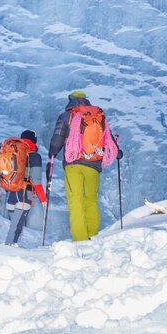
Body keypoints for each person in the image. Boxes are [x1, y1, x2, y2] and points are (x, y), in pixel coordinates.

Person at [48, 90, 123, 242]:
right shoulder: (97, 116)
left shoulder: (67, 116)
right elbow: (107, 137)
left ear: (71, 100)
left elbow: (57, 139)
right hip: (93, 165)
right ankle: (92, 235)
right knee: (91, 199)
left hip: (73, 163)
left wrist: (52, 154)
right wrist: (118, 153)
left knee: (75, 199)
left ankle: (80, 239)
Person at [5, 130, 47, 245]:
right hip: (24, 196)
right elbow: (37, 181)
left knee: (15, 226)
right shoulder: (34, 156)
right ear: (34, 141)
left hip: (11, 196)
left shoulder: (14, 153)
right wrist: (43, 200)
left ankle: (11, 247)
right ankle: (7, 249)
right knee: (16, 227)